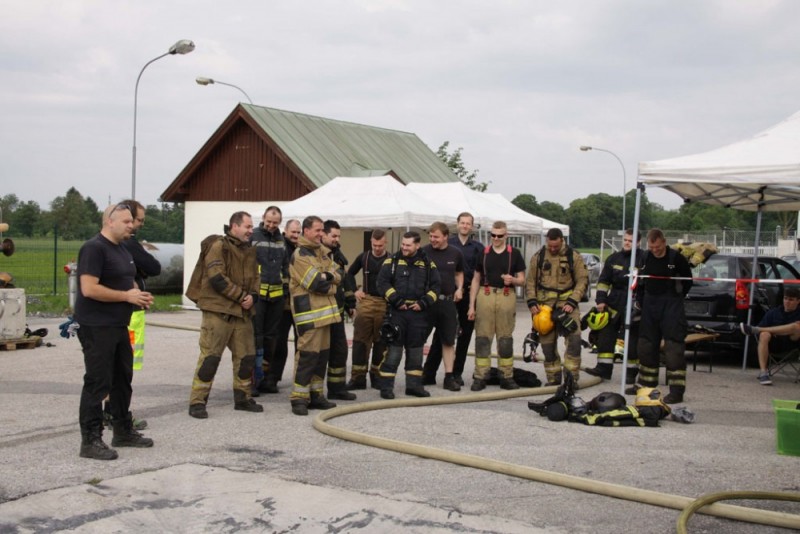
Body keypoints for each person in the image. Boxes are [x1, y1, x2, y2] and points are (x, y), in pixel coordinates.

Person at [75, 203, 154, 460]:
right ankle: (90, 440)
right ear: (110, 221)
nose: (132, 226)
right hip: (97, 325)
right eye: (126, 221)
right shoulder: (94, 248)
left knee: (122, 379)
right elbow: (89, 288)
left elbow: (126, 280)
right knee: (98, 382)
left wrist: (138, 295)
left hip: (119, 324)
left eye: (132, 221)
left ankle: (122, 431)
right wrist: (126, 296)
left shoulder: (122, 249)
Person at [188, 211, 263, 419]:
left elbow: (256, 278)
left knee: (246, 358)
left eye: (251, 227)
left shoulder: (250, 250)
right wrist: (241, 296)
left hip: (242, 314)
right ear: (234, 226)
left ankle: (243, 398)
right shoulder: (218, 246)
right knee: (210, 358)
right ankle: (197, 402)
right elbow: (217, 278)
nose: (251, 230)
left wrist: (254, 297)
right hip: (218, 313)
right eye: (247, 226)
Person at [103, 199, 161, 431]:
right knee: (120, 369)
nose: (137, 226)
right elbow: (154, 267)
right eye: (136, 220)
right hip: (128, 314)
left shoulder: (116, 246)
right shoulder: (127, 245)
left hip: (127, 311)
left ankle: (115, 412)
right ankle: (115, 413)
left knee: (119, 368)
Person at [376, 231, 441, 399]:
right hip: (397, 312)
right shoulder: (392, 261)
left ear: (417, 245)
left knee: (416, 352)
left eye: (408, 245)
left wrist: (424, 303)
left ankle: (413, 386)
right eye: (403, 244)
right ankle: (386, 388)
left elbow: (436, 287)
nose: (404, 248)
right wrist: (396, 300)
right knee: (394, 351)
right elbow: (381, 283)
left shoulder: (428, 264)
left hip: (418, 314)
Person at [288, 216, 342, 416]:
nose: (321, 234)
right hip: (309, 315)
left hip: (325, 315)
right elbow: (316, 284)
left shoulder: (322, 253)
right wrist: (331, 283)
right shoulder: (300, 255)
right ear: (306, 231)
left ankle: (316, 395)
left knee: (321, 357)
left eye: (322, 230)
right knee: (307, 357)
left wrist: (329, 277)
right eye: (318, 230)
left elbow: (339, 275)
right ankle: (299, 398)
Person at [424, 212, 483, 387]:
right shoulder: (448, 244)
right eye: (462, 223)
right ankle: (429, 372)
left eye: (468, 223)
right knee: (441, 335)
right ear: (457, 225)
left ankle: (456, 373)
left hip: (467, 294)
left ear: (472, 226)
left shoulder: (478, 247)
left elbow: (477, 273)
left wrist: (470, 298)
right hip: (446, 295)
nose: (465, 226)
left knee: (464, 336)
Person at [635, 228, 693, 404]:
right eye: (651, 247)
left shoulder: (676, 258)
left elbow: (688, 282)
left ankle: (676, 392)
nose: (655, 250)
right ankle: (647, 386)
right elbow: (640, 281)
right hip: (649, 305)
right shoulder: (645, 257)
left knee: (674, 349)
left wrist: (677, 298)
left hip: (671, 306)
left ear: (664, 242)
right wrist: (640, 301)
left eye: (658, 247)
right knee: (646, 346)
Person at [525, 227, 589, 385]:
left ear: (562, 240)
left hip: (567, 306)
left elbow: (582, 280)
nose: (553, 249)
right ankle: (553, 379)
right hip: (544, 306)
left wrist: (573, 301)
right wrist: (532, 301)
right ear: (547, 241)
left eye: (556, 246)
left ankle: (571, 380)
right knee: (547, 346)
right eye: (550, 246)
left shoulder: (574, 256)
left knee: (574, 342)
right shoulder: (539, 257)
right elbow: (530, 281)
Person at [468, 221, 526, 391]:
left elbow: (522, 280)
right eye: (493, 235)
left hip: (506, 295)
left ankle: (506, 376)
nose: (496, 238)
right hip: (485, 295)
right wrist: (471, 306)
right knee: (482, 339)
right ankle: (480, 376)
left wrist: (513, 280)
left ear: (506, 235)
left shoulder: (514, 254)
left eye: (499, 236)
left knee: (505, 339)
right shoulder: (483, 253)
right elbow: (476, 279)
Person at [585, 229, 642, 384]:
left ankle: (631, 373)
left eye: (631, 241)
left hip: (634, 303)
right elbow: (603, 282)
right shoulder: (614, 258)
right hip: (614, 303)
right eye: (625, 240)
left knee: (632, 340)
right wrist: (601, 300)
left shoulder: (643, 259)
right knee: (606, 336)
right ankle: (603, 369)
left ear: (638, 242)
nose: (627, 243)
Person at [421, 222, 465, 391]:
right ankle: (416, 375)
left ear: (446, 236)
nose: (432, 239)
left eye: (436, 237)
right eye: (431, 236)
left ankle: (449, 377)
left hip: (447, 302)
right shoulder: (423, 252)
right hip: (427, 303)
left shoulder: (456, 253)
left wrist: (459, 288)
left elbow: (459, 273)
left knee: (448, 341)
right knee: (418, 340)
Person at [251, 206, 289, 395]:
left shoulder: (281, 240)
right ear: (263, 218)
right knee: (255, 338)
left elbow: (286, 267)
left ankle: (265, 379)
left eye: (275, 222)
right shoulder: (253, 236)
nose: (271, 225)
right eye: (269, 221)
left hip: (276, 298)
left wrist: (285, 290)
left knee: (270, 340)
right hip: (258, 297)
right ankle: (252, 381)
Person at [344, 229, 389, 390]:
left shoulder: (392, 260)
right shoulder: (363, 257)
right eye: (374, 245)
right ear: (371, 242)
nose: (377, 248)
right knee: (360, 341)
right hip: (366, 301)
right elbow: (349, 274)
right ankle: (358, 378)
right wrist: (355, 290)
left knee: (381, 341)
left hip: (384, 303)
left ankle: (377, 376)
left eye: (380, 245)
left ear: (386, 243)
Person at [321, 219, 357, 401]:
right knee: (320, 354)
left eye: (338, 236)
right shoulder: (317, 255)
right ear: (323, 234)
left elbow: (346, 281)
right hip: (321, 313)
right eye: (333, 236)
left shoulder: (338, 255)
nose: (336, 239)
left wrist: (351, 303)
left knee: (340, 350)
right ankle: (313, 392)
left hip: (337, 311)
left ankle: (337, 389)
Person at [740, 285, 800, 385]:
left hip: (793, 346)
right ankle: (763, 372)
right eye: (785, 298)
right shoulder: (774, 312)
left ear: (798, 301)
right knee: (764, 334)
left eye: (791, 300)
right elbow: (761, 335)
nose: (787, 302)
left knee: (797, 327)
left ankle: (755, 329)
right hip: (773, 345)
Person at [267, 218, 301, 391]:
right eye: (293, 232)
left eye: (298, 232)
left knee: (300, 344)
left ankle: (300, 378)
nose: (296, 235)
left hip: (299, 304)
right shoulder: (280, 246)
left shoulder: (301, 249)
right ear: (285, 231)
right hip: (283, 304)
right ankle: (272, 378)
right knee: (279, 342)